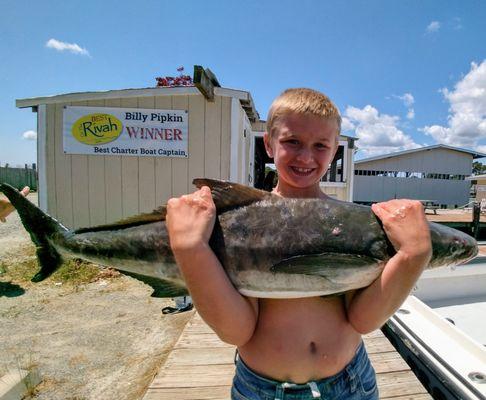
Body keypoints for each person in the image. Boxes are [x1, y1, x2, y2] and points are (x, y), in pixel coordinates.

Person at [165, 88, 432, 399]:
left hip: (350, 382)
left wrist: (413, 254)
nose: (306, 156)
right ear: (268, 144)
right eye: (292, 142)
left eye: (320, 146)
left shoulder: (348, 225)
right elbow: (235, 330)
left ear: (334, 152)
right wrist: (190, 249)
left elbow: (363, 319)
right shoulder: (247, 224)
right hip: (263, 390)